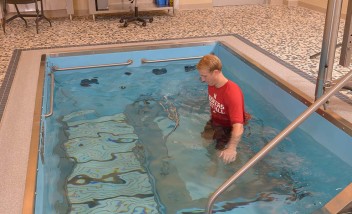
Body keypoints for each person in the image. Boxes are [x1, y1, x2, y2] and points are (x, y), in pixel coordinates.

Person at [197, 54, 250, 164]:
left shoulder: (232, 93)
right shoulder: (212, 83)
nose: (202, 80)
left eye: (205, 76)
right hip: (216, 121)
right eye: (201, 76)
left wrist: (232, 148)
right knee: (204, 141)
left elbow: (238, 127)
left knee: (222, 155)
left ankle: (226, 167)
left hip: (228, 127)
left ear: (215, 72)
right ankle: (213, 162)